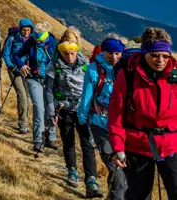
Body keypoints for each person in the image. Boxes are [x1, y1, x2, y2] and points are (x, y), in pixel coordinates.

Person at [110, 28, 177, 200]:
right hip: (137, 145)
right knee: (139, 195)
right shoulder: (128, 76)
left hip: (171, 145)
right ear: (144, 53)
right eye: (155, 55)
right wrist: (118, 147)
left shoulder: (174, 76)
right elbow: (116, 114)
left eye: (165, 55)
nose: (160, 60)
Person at [47, 27, 102, 197]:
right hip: (64, 110)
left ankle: (91, 180)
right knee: (69, 141)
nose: (69, 57)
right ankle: (72, 170)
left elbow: (92, 88)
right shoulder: (54, 65)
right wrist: (51, 111)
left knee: (87, 144)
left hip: (83, 111)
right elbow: (48, 90)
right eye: (66, 53)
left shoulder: (86, 65)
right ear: (61, 50)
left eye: (72, 53)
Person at [78, 33, 127, 200]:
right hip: (100, 124)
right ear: (103, 52)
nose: (113, 57)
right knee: (116, 168)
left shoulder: (126, 69)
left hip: (121, 127)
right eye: (110, 53)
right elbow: (87, 96)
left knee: (122, 172)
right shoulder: (93, 69)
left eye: (117, 53)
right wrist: (83, 120)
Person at [15, 22, 59, 153]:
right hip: (34, 79)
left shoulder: (53, 43)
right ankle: (38, 140)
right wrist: (22, 65)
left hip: (51, 80)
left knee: (50, 108)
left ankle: (51, 137)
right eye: (37, 37)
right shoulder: (30, 42)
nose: (39, 41)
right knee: (39, 108)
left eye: (41, 38)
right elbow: (16, 55)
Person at [3, 18, 34, 134]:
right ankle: (22, 124)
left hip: (26, 70)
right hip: (14, 70)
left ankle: (25, 120)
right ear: (20, 29)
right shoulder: (12, 39)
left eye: (28, 30)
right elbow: (5, 54)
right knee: (22, 95)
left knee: (28, 96)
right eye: (24, 30)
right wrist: (11, 67)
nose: (26, 33)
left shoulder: (31, 40)